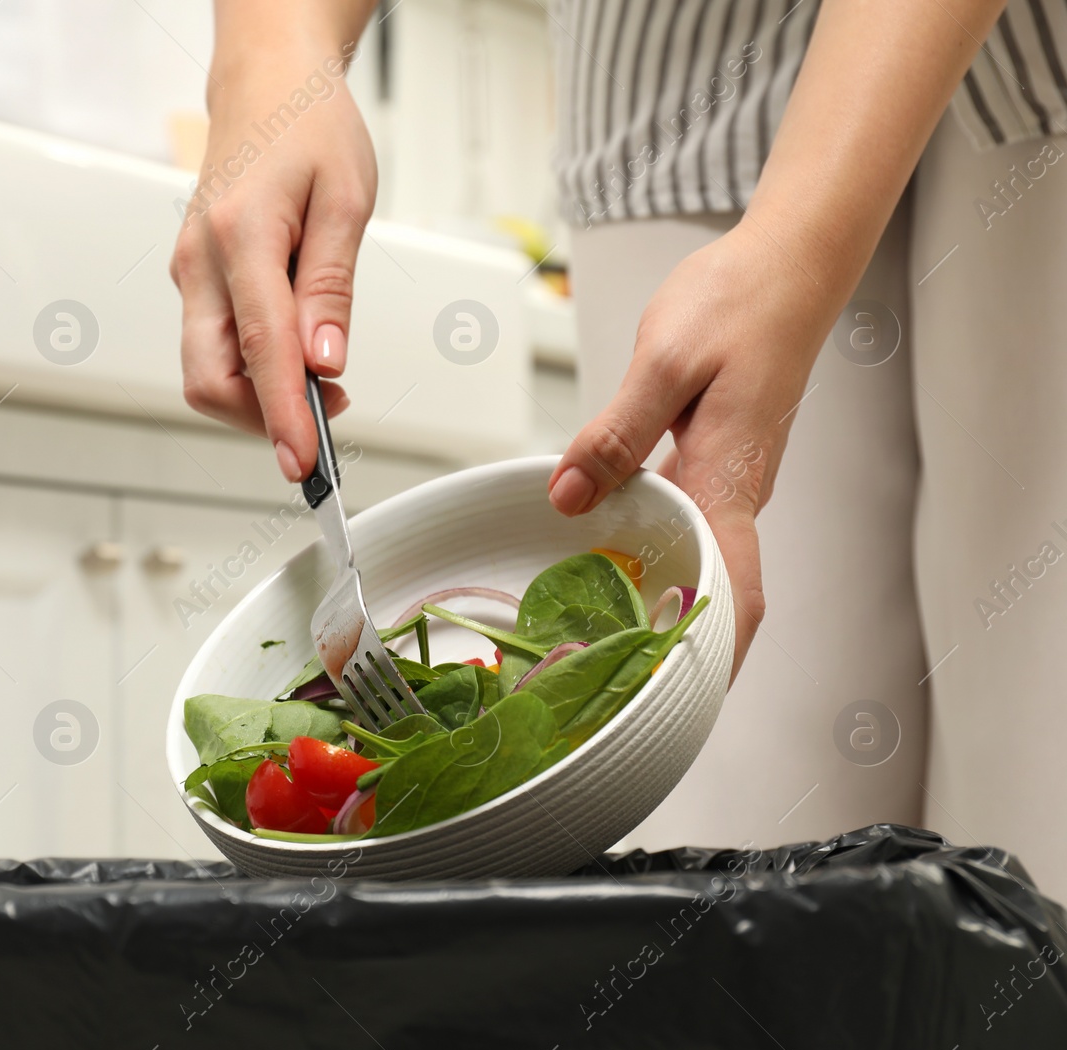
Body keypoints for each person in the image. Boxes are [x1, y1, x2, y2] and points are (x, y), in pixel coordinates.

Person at [170, 0, 1067, 899]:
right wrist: (273, 56)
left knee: (1035, 803)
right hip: (665, 53)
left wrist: (799, 251)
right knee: (726, 846)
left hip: (1038, 56)